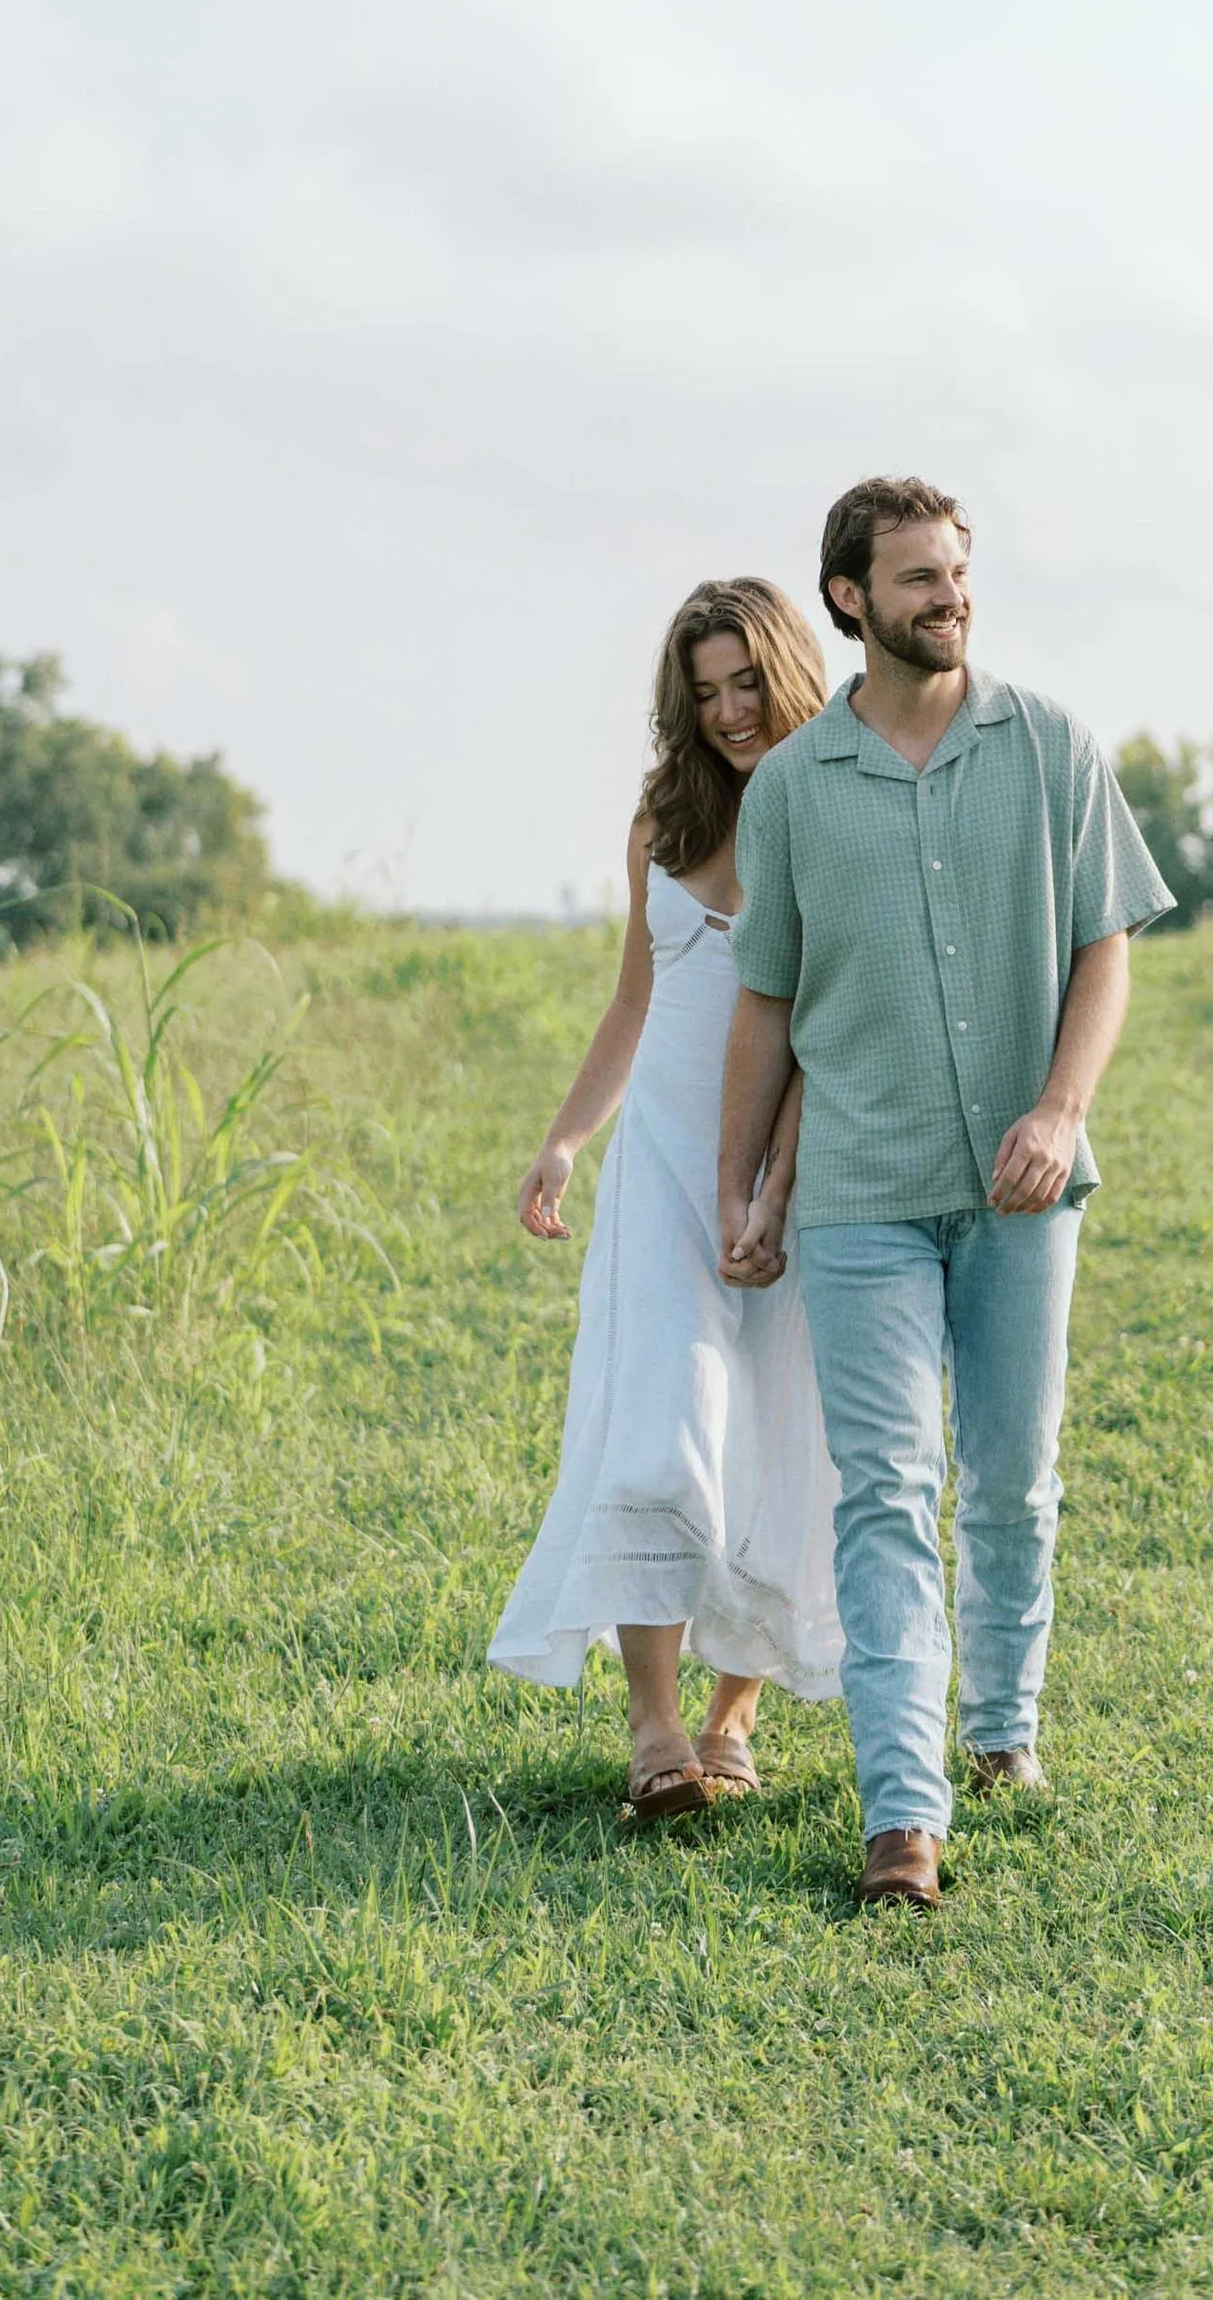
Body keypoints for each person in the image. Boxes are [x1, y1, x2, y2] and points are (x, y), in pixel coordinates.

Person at [717, 478, 1174, 1907]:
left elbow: (1107, 945)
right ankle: (902, 1811)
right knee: (887, 1491)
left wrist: (1060, 1105)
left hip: (1024, 1191)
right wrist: (747, 1185)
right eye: (916, 577)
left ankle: (1003, 1730)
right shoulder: (795, 789)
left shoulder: (1051, 748)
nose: (948, 597)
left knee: (1013, 1476)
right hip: (858, 1191)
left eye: (957, 572)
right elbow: (768, 1006)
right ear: (851, 597)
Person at [490, 579, 844, 1820]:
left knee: (780, 1427)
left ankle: (731, 1718)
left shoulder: (835, 808)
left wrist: (774, 1180)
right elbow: (634, 1000)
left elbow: (832, 1015)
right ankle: (652, 1726)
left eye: (748, 681)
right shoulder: (664, 816)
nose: (732, 711)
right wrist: (566, 1140)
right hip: (662, 1166)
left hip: (795, 1165)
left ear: (790, 671)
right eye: (705, 692)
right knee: (659, 1421)